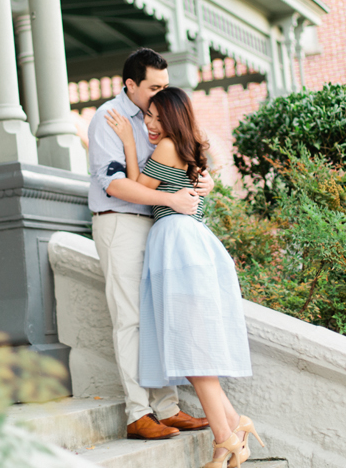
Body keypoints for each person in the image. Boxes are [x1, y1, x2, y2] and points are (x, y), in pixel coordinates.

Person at [106, 87, 263, 468]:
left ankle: (225, 441)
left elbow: (136, 191)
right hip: (188, 244)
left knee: (192, 352)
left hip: (177, 246)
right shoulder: (192, 149)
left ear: (174, 118)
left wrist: (129, 141)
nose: (150, 123)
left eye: (158, 117)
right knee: (191, 352)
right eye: (148, 116)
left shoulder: (167, 147)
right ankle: (232, 429)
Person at [88, 48, 213, 441]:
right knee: (130, 319)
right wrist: (171, 199)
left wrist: (202, 184)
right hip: (120, 224)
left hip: (157, 228)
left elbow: (173, 168)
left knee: (157, 318)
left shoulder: (157, 119)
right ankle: (138, 413)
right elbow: (116, 184)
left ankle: (167, 408)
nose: (162, 92)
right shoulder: (107, 118)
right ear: (131, 85)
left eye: (165, 85)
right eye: (153, 86)